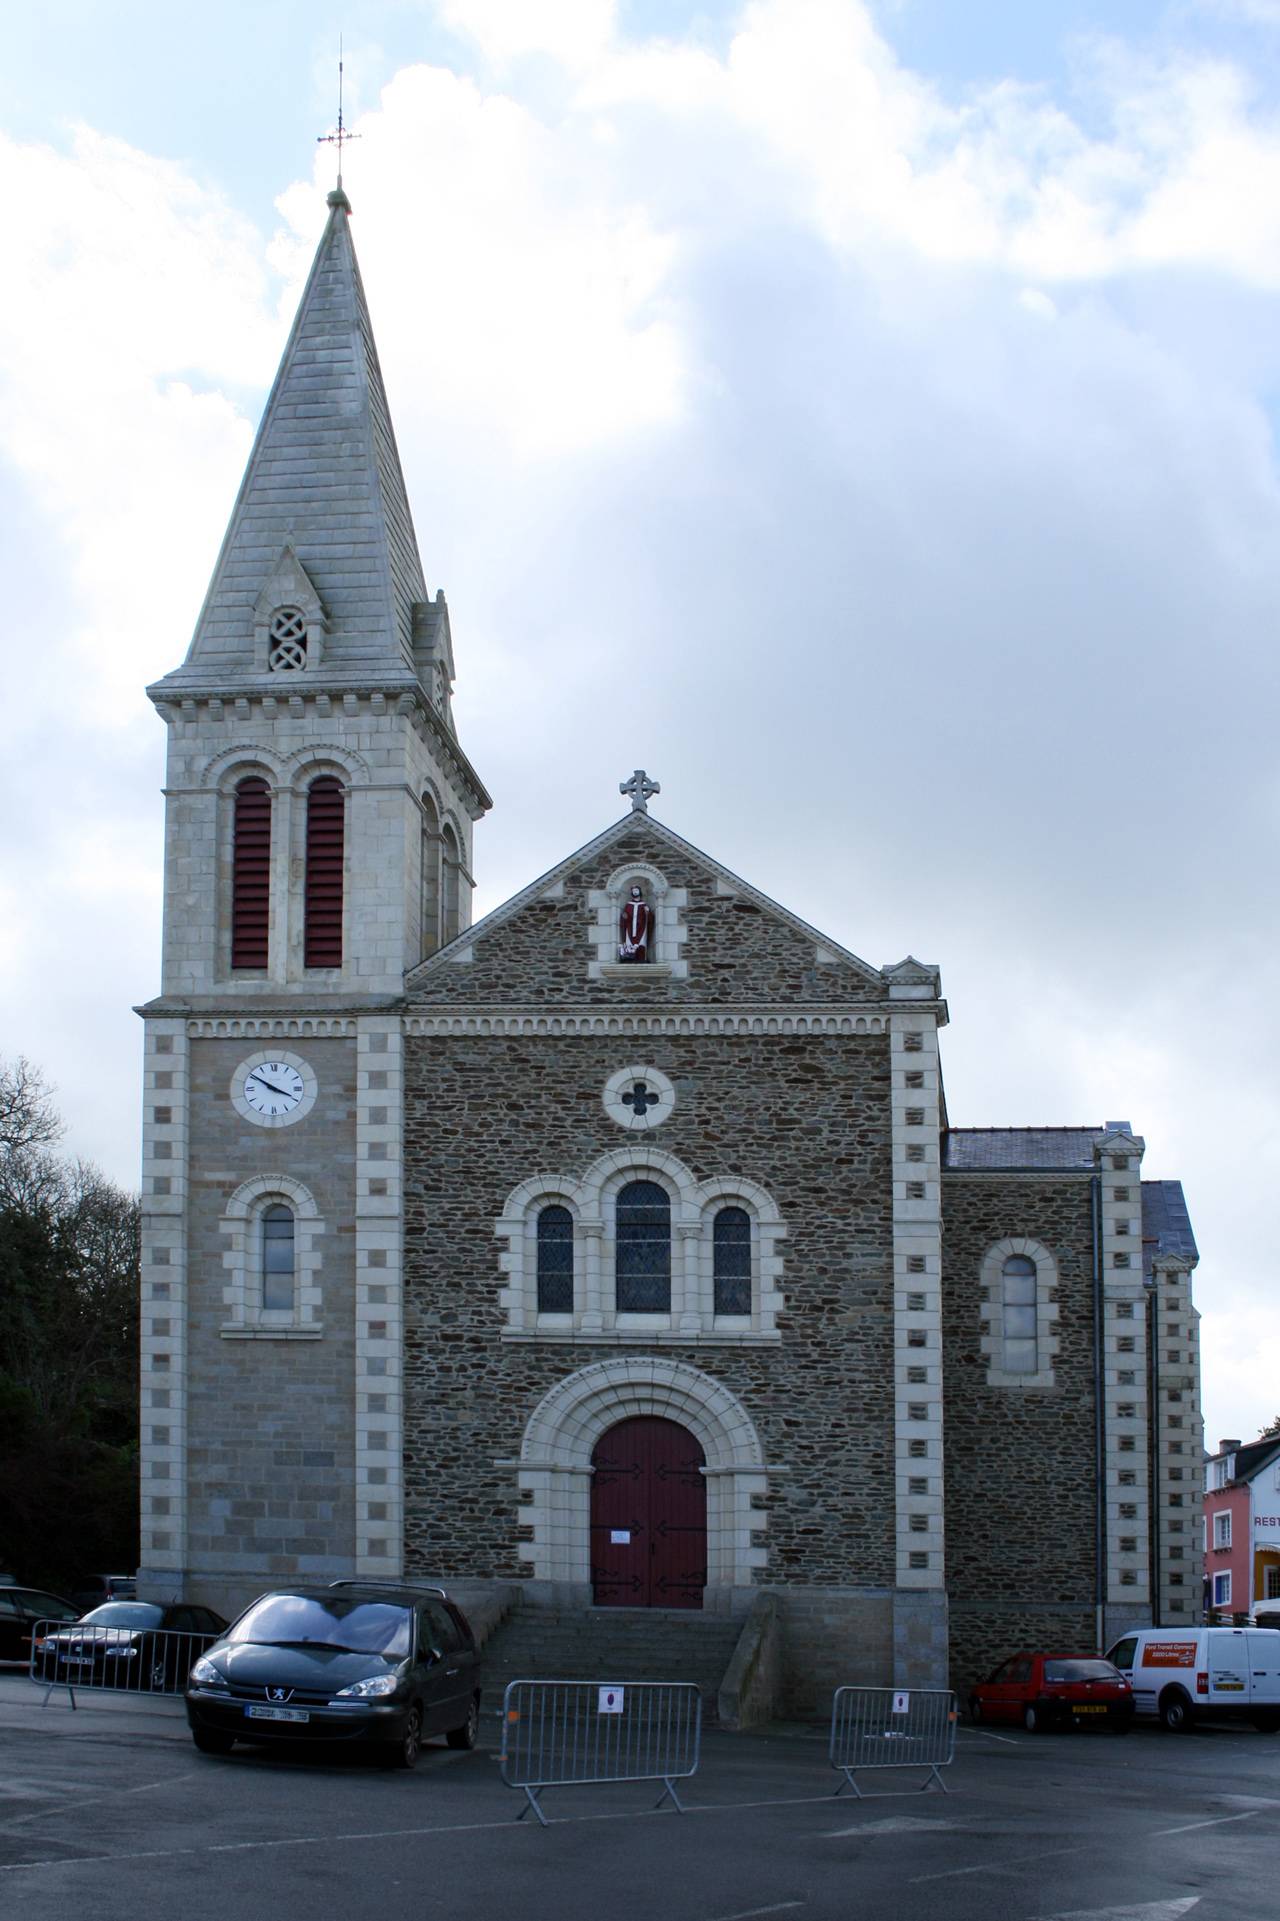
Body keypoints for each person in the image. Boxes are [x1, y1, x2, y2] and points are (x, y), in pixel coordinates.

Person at [618, 885, 651, 963]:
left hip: (641, 928)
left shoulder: (643, 904)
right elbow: (625, 916)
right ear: (631, 893)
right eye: (633, 891)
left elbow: (649, 918)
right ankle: (630, 958)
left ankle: (642, 959)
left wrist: (648, 913)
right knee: (629, 942)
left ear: (640, 892)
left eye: (636, 890)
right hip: (630, 928)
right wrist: (624, 917)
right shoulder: (628, 905)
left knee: (641, 942)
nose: (635, 892)